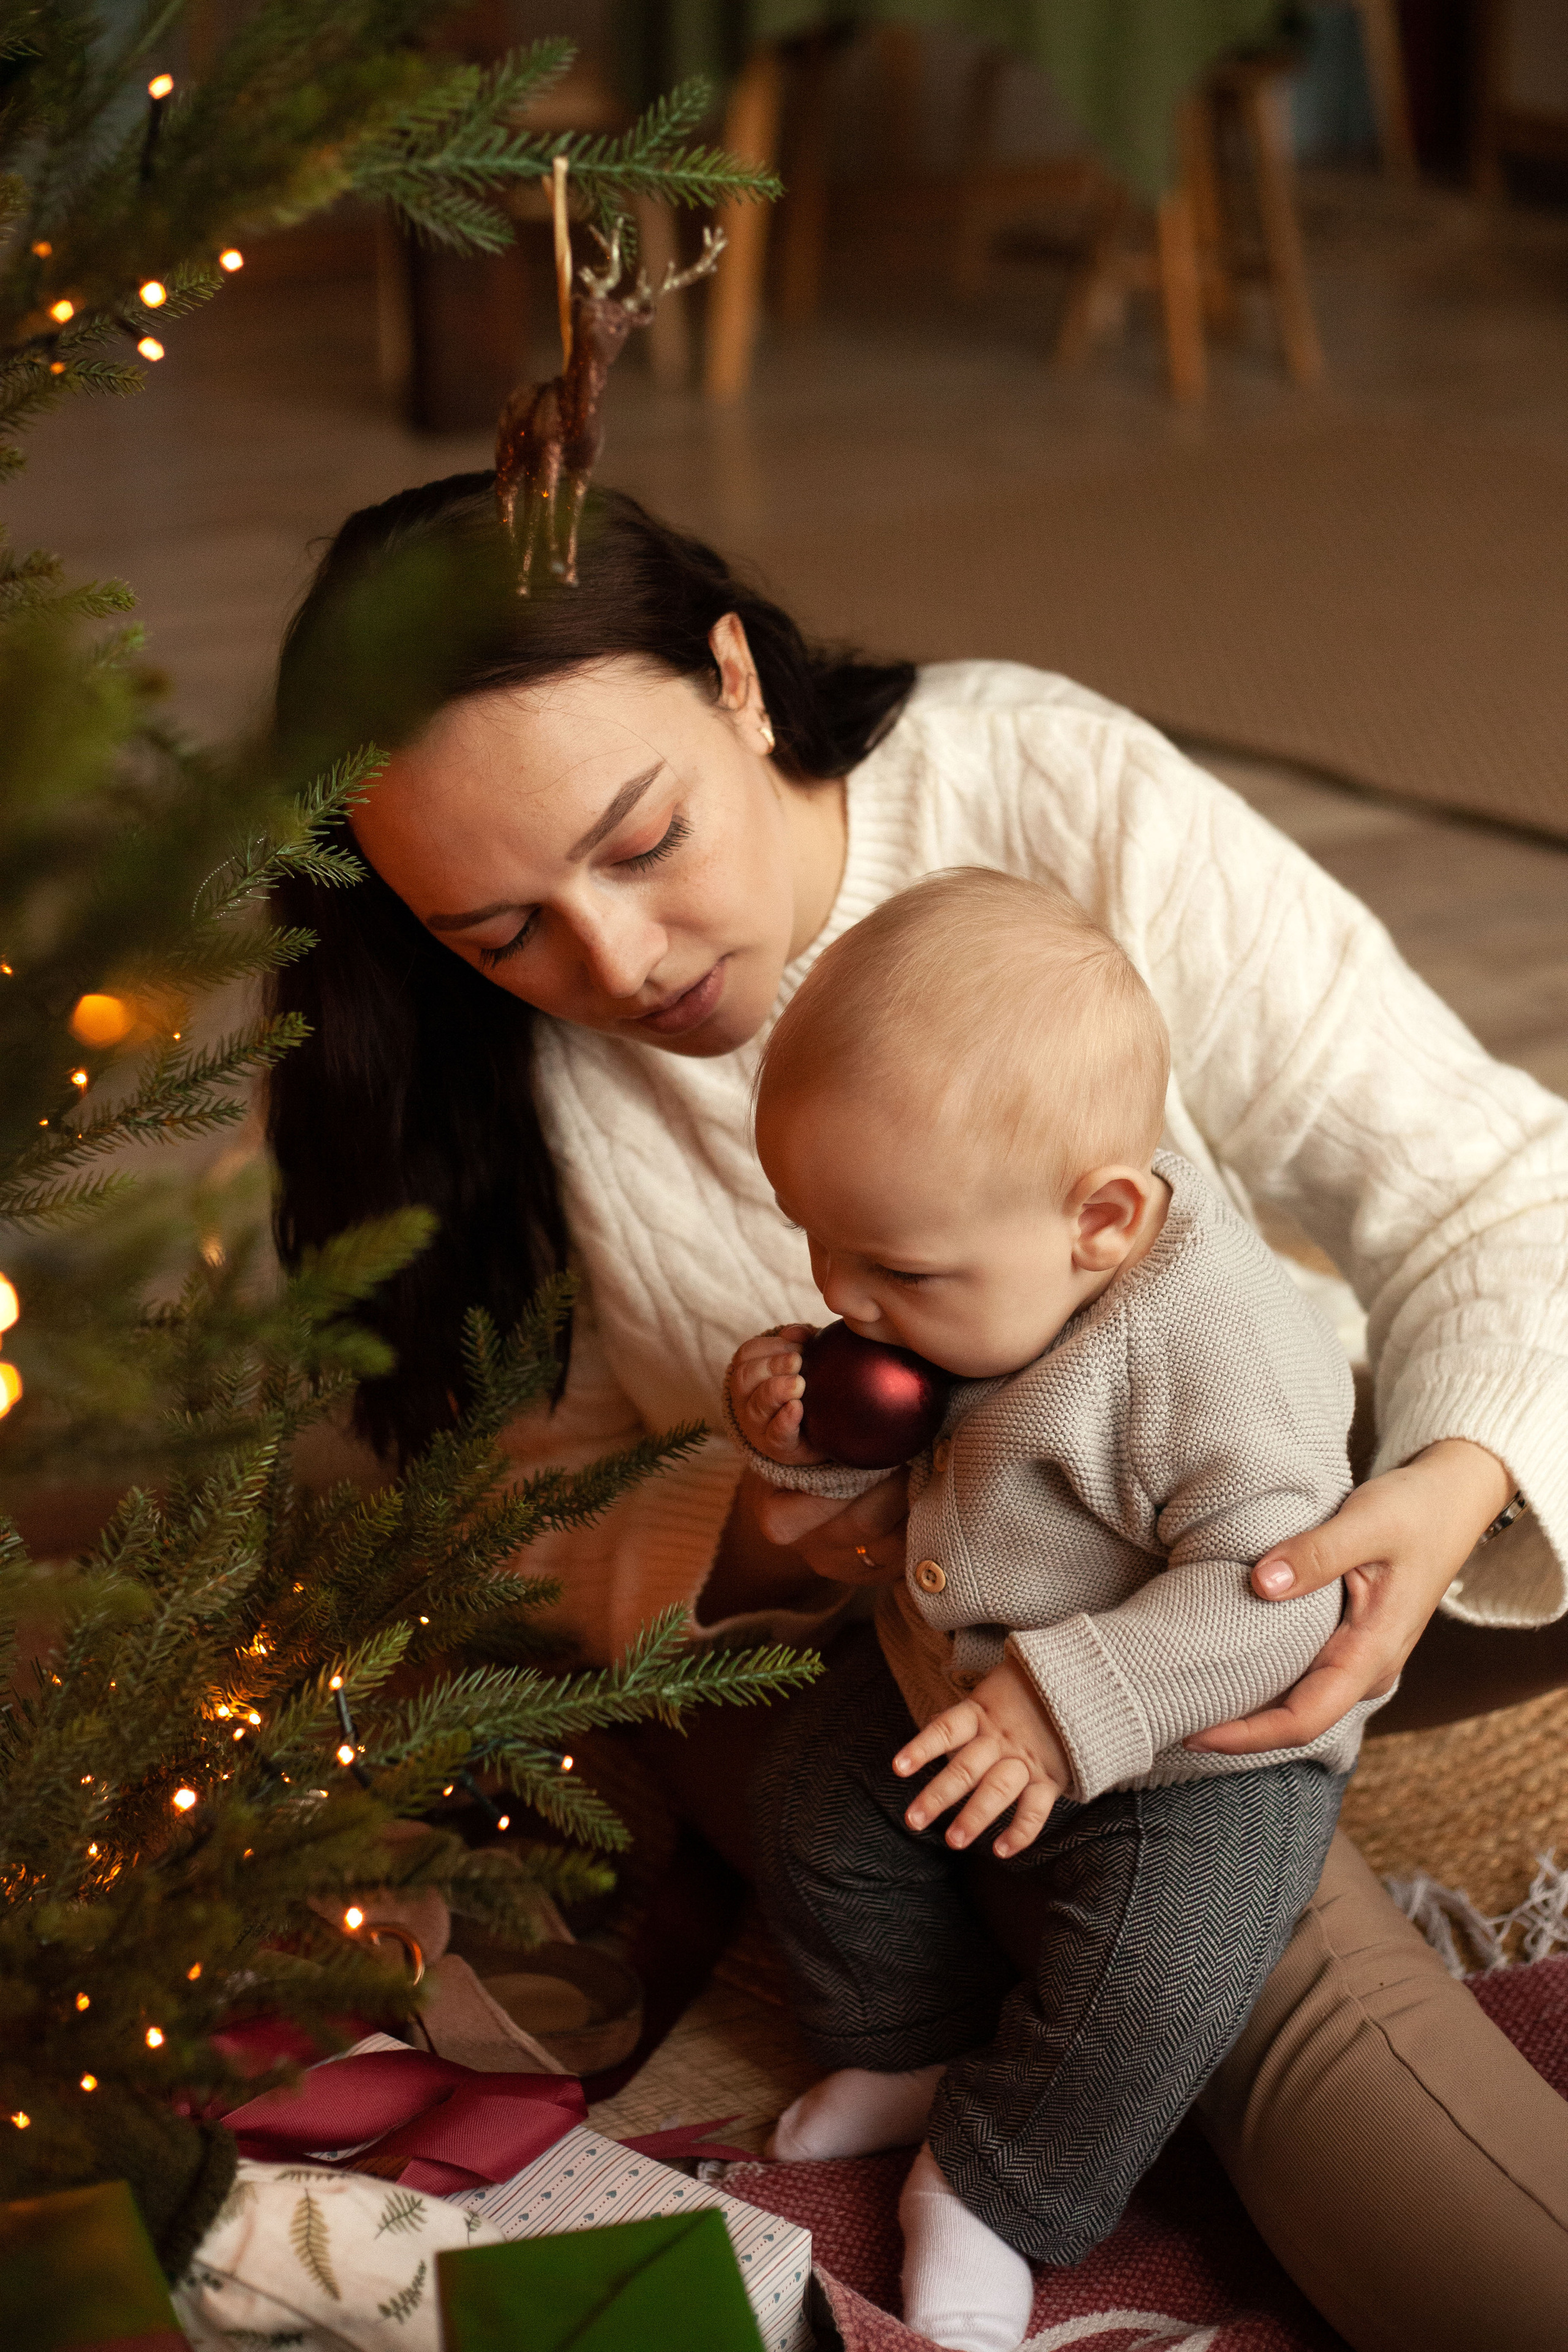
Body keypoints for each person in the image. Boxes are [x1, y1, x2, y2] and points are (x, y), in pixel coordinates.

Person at [268, 477, 1568, 2352]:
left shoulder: (1044, 794)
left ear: (732, 675)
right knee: (1236, 1947)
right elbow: (513, 1511)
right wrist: (745, 1522)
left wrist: (1446, 1492)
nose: (617, 966)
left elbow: (1486, 1193)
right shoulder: (446, 1071)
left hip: (1261, 1504)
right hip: (884, 1646)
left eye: (641, 843)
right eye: (503, 932)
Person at [725, 868, 1378, 2352]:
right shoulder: (974, 1252)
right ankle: (912, 2048)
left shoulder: (1220, 1355)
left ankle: (992, 2182)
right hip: (950, 1670)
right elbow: (881, 1435)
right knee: (812, 1815)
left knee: (1157, 1974)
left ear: (1103, 1219)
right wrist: (779, 1420)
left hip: (1199, 1742)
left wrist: (1059, 1702)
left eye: (890, 1269)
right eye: (817, 1247)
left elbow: (1281, 1600)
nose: (846, 1296)